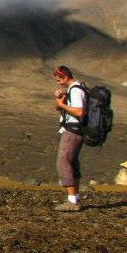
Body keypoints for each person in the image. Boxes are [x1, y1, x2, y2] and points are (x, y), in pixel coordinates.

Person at [52, 65, 86, 212]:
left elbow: (79, 111)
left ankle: (72, 201)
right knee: (71, 163)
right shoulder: (72, 90)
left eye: (59, 80)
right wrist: (60, 101)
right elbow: (59, 108)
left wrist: (62, 105)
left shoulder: (76, 90)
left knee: (63, 161)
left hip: (72, 131)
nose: (58, 82)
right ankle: (75, 198)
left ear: (66, 77)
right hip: (73, 130)